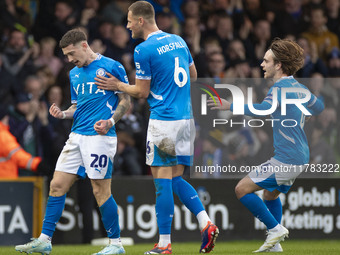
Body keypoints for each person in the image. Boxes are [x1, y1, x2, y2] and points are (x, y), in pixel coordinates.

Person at [94, 2, 219, 254]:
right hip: (186, 120)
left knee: (162, 182)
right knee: (175, 178)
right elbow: (193, 76)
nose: (127, 25)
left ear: (141, 20)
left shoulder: (143, 49)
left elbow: (141, 92)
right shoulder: (179, 40)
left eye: (129, 20)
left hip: (164, 121)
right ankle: (206, 223)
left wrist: (117, 85)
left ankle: (164, 244)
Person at [15, 28, 130, 255]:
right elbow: (77, 106)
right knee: (57, 185)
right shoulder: (74, 74)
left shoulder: (112, 66)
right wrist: (63, 114)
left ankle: (116, 244)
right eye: (66, 56)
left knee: (101, 191)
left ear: (84, 46)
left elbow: (126, 101)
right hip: (76, 136)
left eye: (70, 54)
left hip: (100, 137)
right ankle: (45, 240)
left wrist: (111, 121)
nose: (69, 60)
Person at [209, 38, 324, 252]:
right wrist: (306, 113)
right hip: (299, 156)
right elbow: (319, 106)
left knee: (242, 189)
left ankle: (275, 229)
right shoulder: (299, 88)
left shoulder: (279, 88)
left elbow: (262, 109)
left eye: (266, 61)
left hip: (288, 158)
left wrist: (230, 104)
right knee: (270, 194)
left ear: (278, 65)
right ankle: (275, 245)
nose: (262, 65)